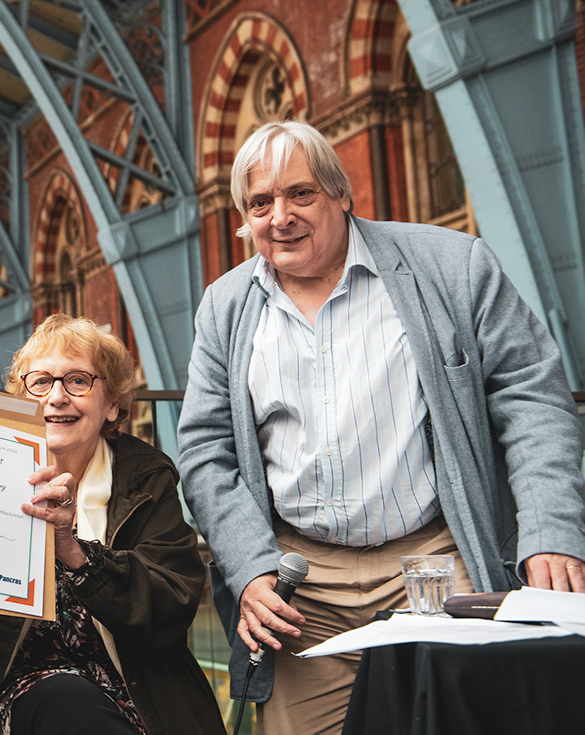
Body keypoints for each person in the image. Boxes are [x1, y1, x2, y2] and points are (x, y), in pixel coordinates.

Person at [177, 120, 585, 733]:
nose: (280, 216)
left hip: (439, 563)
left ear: (341, 194)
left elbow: (532, 396)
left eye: (301, 194)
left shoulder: (453, 265)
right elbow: (206, 452)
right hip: (302, 587)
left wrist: (550, 529)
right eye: (260, 203)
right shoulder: (225, 307)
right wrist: (251, 567)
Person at [0, 314, 225, 735]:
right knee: (61, 698)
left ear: (113, 405)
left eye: (79, 380)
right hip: (13, 690)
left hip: (134, 691)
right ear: (23, 399)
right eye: (41, 382)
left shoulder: (146, 479)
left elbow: (172, 603)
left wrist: (76, 553)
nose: (57, 396)